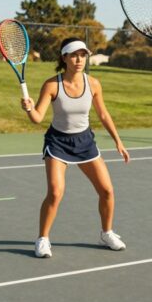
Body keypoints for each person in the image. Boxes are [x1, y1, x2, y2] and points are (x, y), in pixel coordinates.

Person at [21, 38, 130, 258]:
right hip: (58, 143)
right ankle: (42, 239)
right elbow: (38, 118)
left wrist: (118, 140)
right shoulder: (52, 85)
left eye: (82, 54)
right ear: (64, 58)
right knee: (55, 192)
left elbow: (103, 114)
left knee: (107, 190)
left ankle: (107, 233)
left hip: (85, 142)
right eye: (73, 55)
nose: (79, 59)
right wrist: (29, 108)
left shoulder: (94, 84)